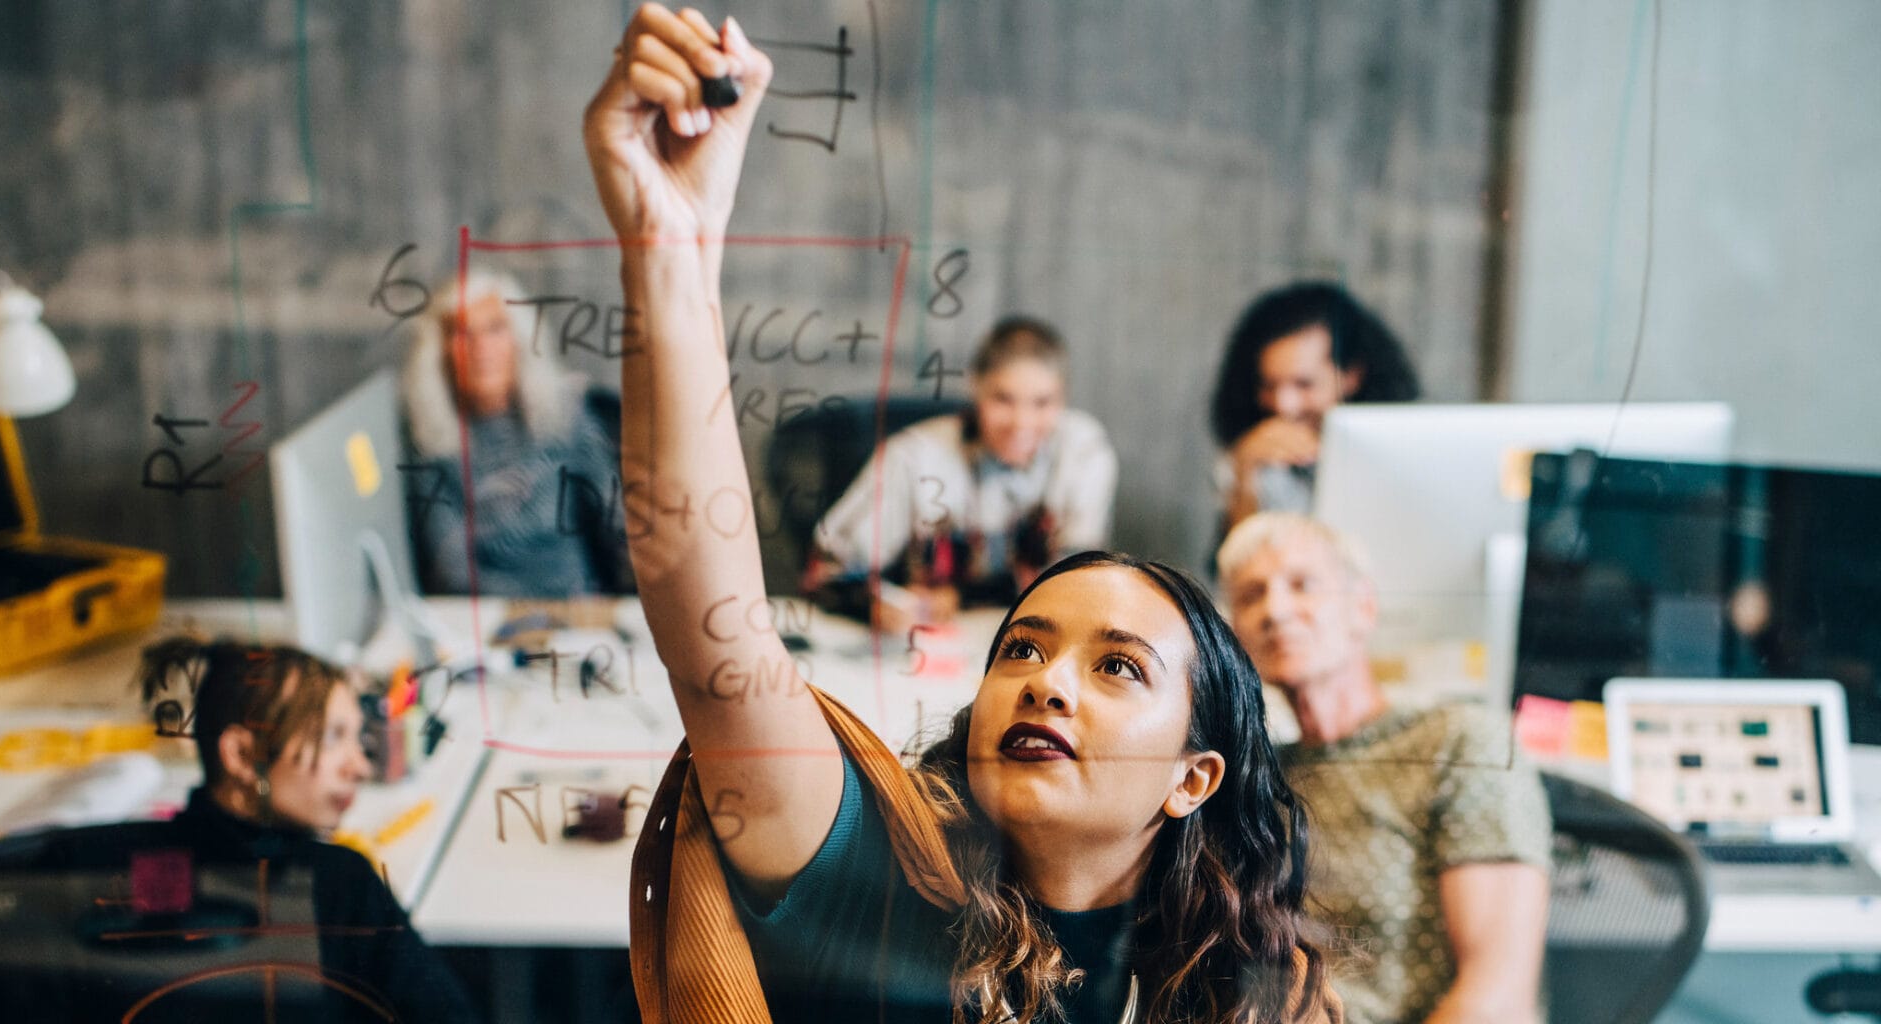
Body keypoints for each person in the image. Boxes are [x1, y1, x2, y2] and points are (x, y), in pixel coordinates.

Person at [581, 8, 1339, 1023]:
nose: (1044, 682)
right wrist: (670, 244)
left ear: (1194, 775)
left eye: (1117, 666)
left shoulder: (1242, 990)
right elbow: (704, 602)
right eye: (1020, 649)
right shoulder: (870, 883)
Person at [1217, 514, 1549, 1024]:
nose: (1275, 610)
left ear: (1363, 609)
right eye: (1250, 595)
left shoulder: (1457, 744)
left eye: (1302, 585)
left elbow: (1497, 996)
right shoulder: (1258, 776)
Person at [134, 637, 479, 1022]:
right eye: (333, 738)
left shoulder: (125, 870)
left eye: (357, 738)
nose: (360, 767)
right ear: (243, 756)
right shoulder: (338, 883)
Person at [806, 315, 1119, 632]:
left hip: (1024, 640)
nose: (1021, 422)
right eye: (1003, 399)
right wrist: (874, 606)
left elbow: (1077, 581)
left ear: (1062, 399)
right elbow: (826, 572)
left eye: (1042, 402)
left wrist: (959, 597)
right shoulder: (915, 457)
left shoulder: (1083, 451)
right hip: (920, 646)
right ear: (976, 388)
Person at [400, 268, 634, 597]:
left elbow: (618, 528)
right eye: (462, 333)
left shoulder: (565, 415)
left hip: (582, 609)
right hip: (490, 620)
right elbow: (450, 570)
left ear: (519, 339)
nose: (480, 347)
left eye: (495, 329)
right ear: (441, 352)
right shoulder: (432, 442)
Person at [1209, 282, 1420, 529]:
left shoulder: (1403, 454)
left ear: (1351, 376)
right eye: (1268, 385)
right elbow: (1238, 565)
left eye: (1304, 384)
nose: (1283, 405)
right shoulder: (1248, 456)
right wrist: (1244, 477)